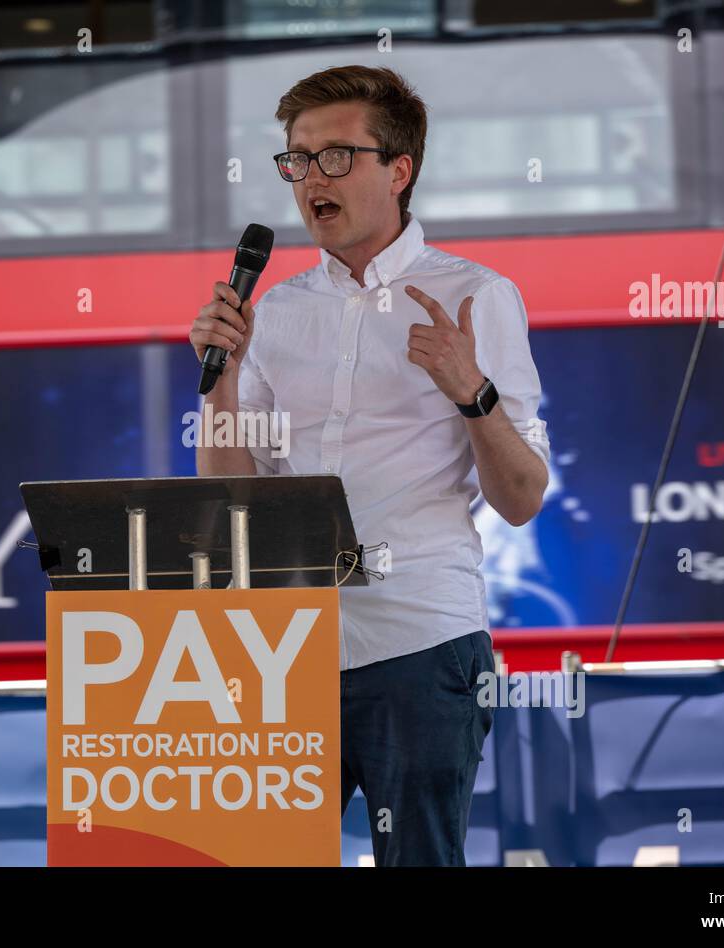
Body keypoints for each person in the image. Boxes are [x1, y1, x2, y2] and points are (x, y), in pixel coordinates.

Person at [190, 64, 550, 866]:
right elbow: (233, 500)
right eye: (297, 158)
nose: (311, 178)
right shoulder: (275, 313)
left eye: (335, 156)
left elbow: (523, 497)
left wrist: (472, 390)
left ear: (400, 169)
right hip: (284, 651)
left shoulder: (476, 296)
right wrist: (223, 379)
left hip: (420, 644)